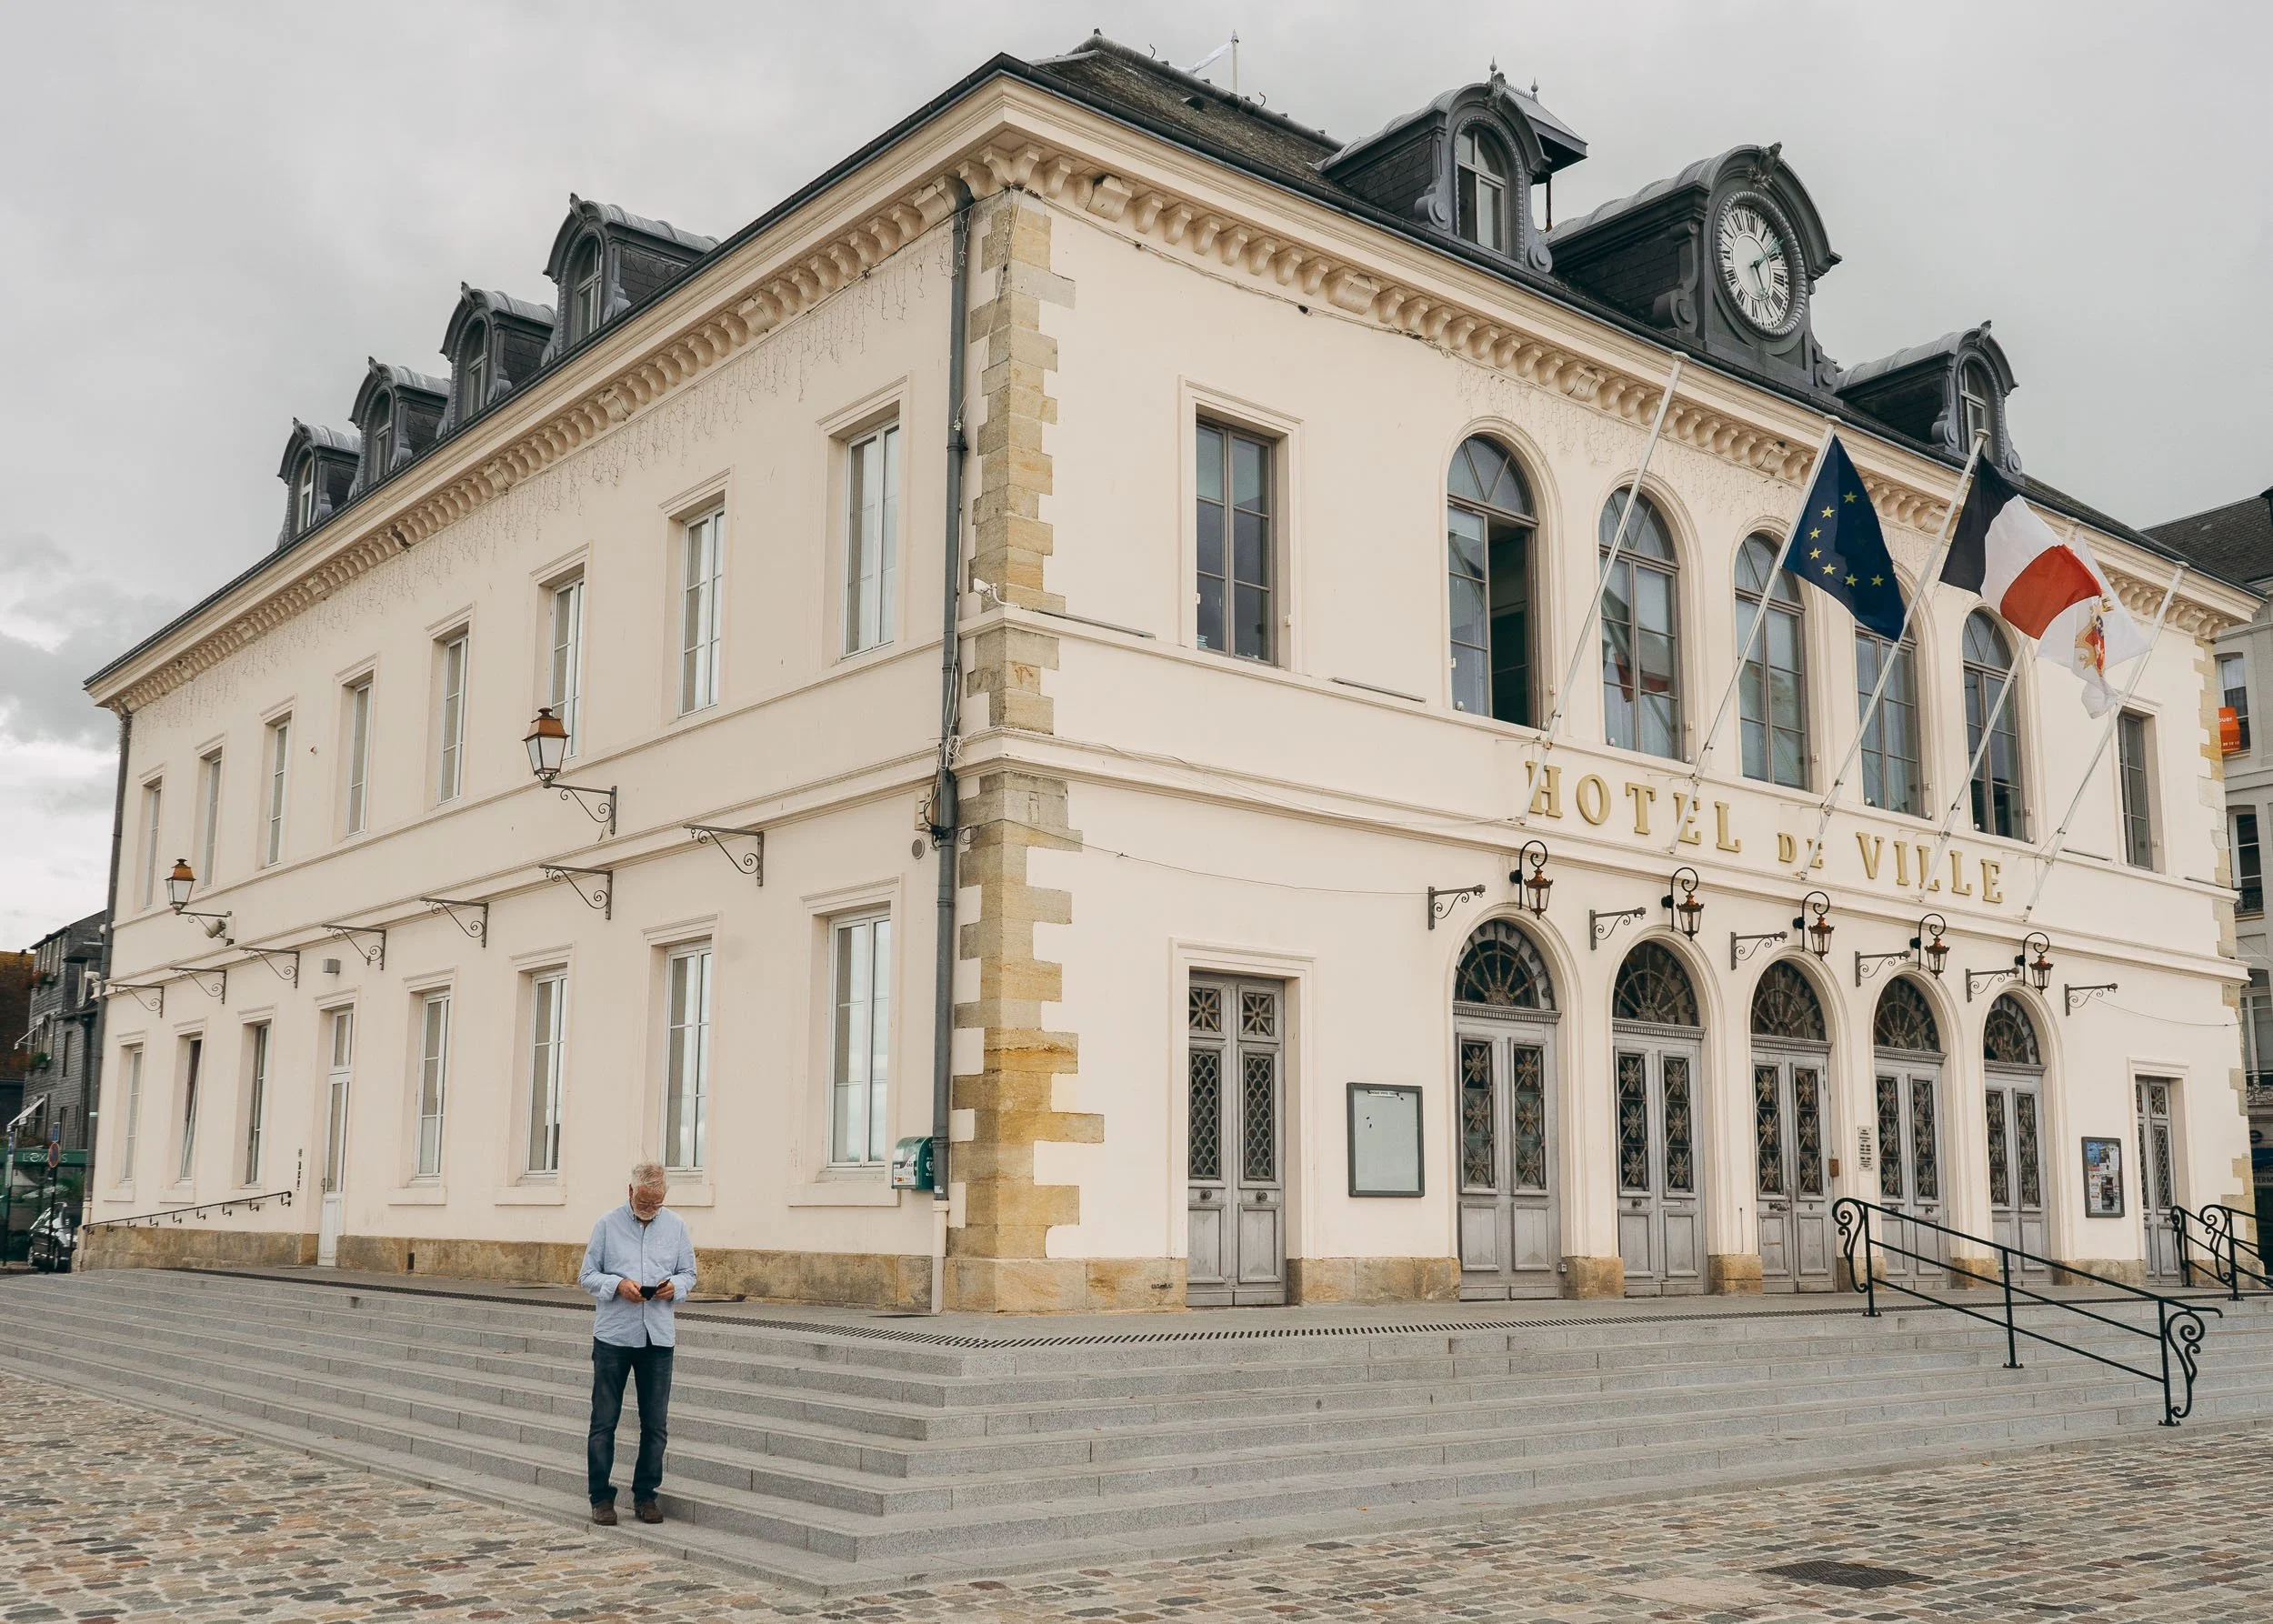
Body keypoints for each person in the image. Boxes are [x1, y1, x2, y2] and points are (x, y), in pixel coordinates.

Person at [577, 1159, 696, 1525]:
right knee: (604, 1421)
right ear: (630, 1191)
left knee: (655, 1424)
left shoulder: (676, 1226)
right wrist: (617, 1285)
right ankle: (601, 1498)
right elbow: (587, 1275)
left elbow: (689, 1273)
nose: (649, 1209)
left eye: (656, 1203)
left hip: (657, 1336)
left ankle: (646, 1495)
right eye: (644, 1202)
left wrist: (675, 1287)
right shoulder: (606, 1224)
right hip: (614, 1335)